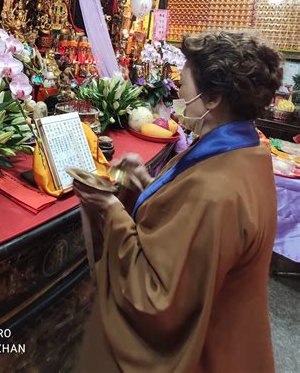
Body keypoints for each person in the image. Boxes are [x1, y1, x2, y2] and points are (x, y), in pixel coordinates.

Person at [73, 30, 282, 373]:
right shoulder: (243, 151)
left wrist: (109, 209)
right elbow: (189, 227)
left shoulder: (218, 191)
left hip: (211, 352)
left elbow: (157, 300)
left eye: (182, 82)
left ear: (212, 98)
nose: (178, 94)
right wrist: (148, 188)